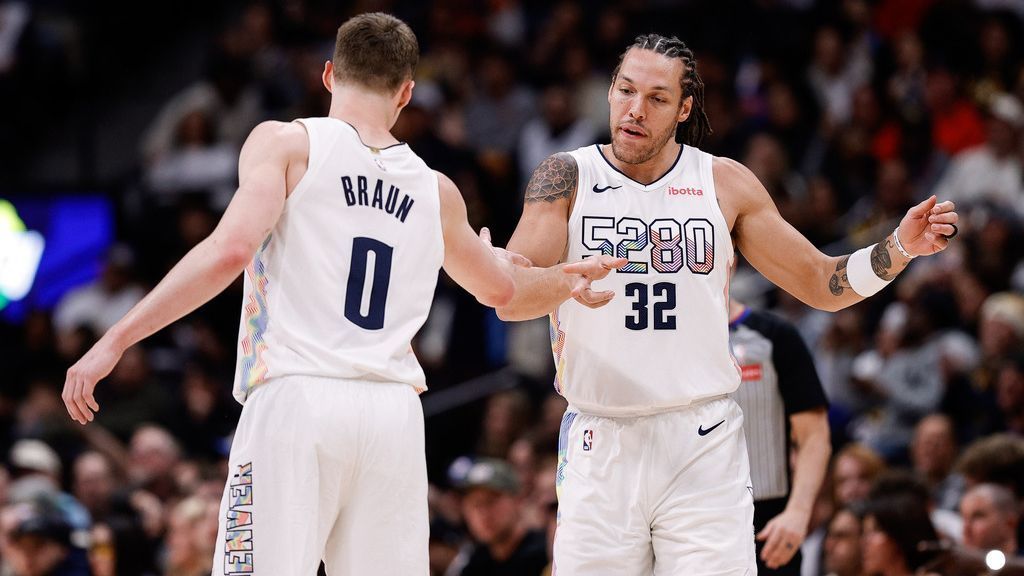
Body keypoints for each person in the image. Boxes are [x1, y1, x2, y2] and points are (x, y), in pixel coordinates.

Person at [61, 13, 526, 576]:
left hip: (298, 396)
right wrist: (532, 269)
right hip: (394, 412)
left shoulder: (287, 143)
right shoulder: (436, 189)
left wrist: (117, 337)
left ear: (329, 75)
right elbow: (502, 290)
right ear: (406, 92)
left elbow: (229, 252)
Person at [495, 32, 959, 574]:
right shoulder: (566, 177)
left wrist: (899, 248)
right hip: (601, 439)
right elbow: (510, 299)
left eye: (657, 98)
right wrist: (563, 281)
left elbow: (820, 282)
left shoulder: (722, 182)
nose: (635, 109)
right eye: (625, 90)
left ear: (684, 108)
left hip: (701, 442)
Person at [729, 299, 831, 574]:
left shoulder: (775, 334)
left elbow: (814, 435)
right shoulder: (670, 339)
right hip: (689, 520)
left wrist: (798, 512)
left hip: (767, 522)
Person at [446, 458, 548, 576]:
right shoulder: (473, 564)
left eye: (490, 501)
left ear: (518, 500)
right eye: (475, 504)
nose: (483, 513)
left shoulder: (546, 554)